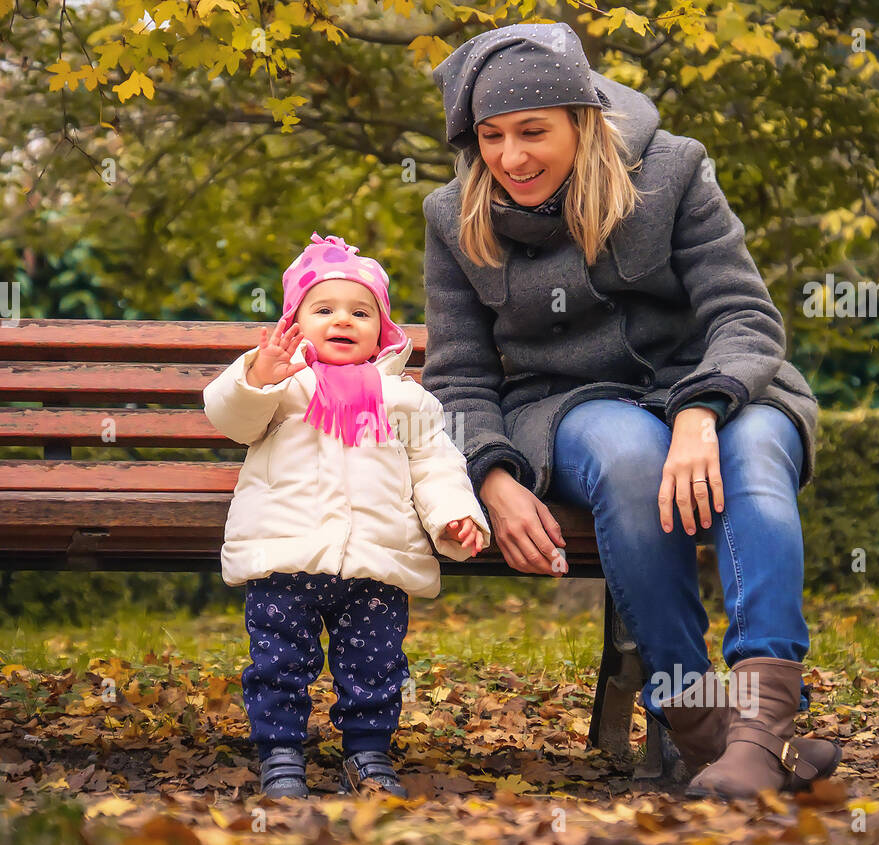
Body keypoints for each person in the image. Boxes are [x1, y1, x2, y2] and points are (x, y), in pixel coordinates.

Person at [422, 23, 841, 798]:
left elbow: (744, 317)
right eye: (491, 137)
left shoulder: (674, 170)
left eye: (533, 132)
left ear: (581, 119)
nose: (511, 158)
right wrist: (492, 476)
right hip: (568, 408)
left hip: (717, 388)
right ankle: (706, 725)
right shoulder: (455, 217)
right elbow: (458, 379)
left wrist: (700, 411)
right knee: (628, 459)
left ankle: (756, 726)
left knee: (752, 460)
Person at [203, 232, 491, 799]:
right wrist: (259, 376)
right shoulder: (280, 386)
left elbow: (436, 464)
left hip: (377, 563)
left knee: (375, 670)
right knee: (278, 663)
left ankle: (367, 753)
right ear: (295, 322)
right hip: (286, 556)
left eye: (361, 312)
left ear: (381, 330)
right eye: (324, 309)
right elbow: (230, 419)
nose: (343, 320)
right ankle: (281, 753)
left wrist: (455, 515)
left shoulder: (405, 399)